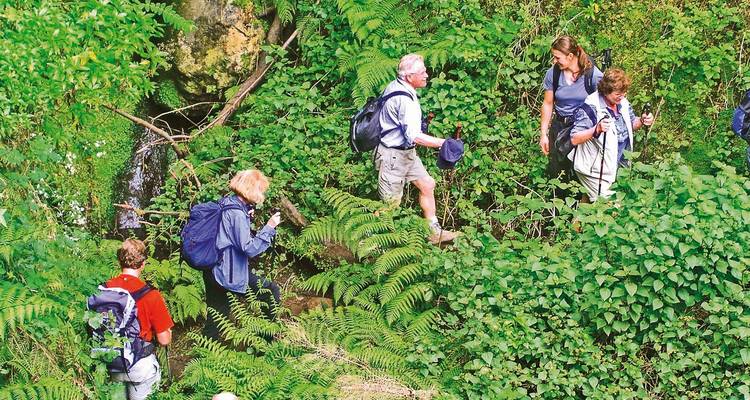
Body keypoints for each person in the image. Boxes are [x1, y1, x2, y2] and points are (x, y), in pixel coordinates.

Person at [375, 53, 459, 244]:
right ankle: (371, 241)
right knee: (390, 205)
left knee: (427, 184)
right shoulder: (404, 100)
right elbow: (413, 135)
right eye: (422, 72)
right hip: (392, 156)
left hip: (406, 154)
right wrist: (443, 143)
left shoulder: (396, 87)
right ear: (409, 77)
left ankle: (433, 231)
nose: (426, 75)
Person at [203, 169, 282, 340]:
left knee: (216, 319)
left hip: (212, 270)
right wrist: (269, 227)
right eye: (260, 190)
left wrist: (246, 216)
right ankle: (265, 343)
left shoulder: (227, 202)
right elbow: (249, 249)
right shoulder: (237, 213)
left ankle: (204, 357)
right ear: (251, 190)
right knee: (270, 291)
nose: (262, 194)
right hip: (226, 273)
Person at [569, 68, 654, 201]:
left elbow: (631, 125)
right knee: (609, 207)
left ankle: (577, 221)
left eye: (624, 92)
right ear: (606, 90)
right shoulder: (591, 107)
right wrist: (596, 129)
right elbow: (574, 138)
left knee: (589, 204)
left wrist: (642, 120)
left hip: (617, 166)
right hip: (594, 170)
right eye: (618, 93)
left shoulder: (622, 103)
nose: (623, 96)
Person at [108, 239, 174, 400]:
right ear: (143, 263)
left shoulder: (105, 289)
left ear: (119, 261)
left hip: (111, 362)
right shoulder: (150, 295)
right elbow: (164, 339)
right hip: (139, 365)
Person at [540, 36, 603, 179]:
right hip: (559, 127)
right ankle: (556, 200)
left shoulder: (592, 76)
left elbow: (606, 102)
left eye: (557, 57)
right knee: (556, 174)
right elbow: (548, 103)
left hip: (582, 129)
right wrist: (543, 133)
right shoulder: (553, 73)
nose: (554, 61)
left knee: (580, 174)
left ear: (570, 56)